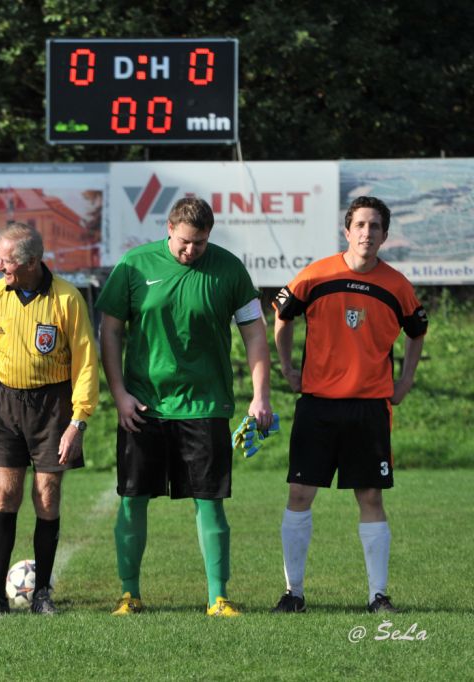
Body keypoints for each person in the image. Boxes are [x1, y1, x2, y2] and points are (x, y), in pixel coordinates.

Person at [96, 197, 272, 617]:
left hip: (206, 405)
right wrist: (119, 394)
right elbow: (110, 331)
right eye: (185, 242)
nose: (191, 250)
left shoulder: (229, 269)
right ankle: (129, 594)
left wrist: (260, 394)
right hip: (143, 406)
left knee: (210, 501)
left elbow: (254, 334)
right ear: (170, 229)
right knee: (133, 499)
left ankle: (218, 598)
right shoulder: (134, 265)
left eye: (200, 243)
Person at [270, 196, 428, 614]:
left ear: (385, 235)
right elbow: (282, 315)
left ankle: (378, 596)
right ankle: (293, 593)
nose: (367, 233)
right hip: (318, 406)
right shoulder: (317, 274)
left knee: (371, 498)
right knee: (300, 493)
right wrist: (287, 367)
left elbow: (417, 332)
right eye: (360, 225)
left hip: (369, 408)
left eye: (375, 226)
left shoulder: (397, 285)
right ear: (347, 230)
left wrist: (405, 380)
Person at [0, 222, 99, 615]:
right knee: (3, 494)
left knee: (47, 495)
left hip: (52, 407)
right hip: (5, 404)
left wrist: (78, 421)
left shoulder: (67, 299)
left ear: (30, 263)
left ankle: (41, 593)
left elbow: (85, 363)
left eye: (5, 261)